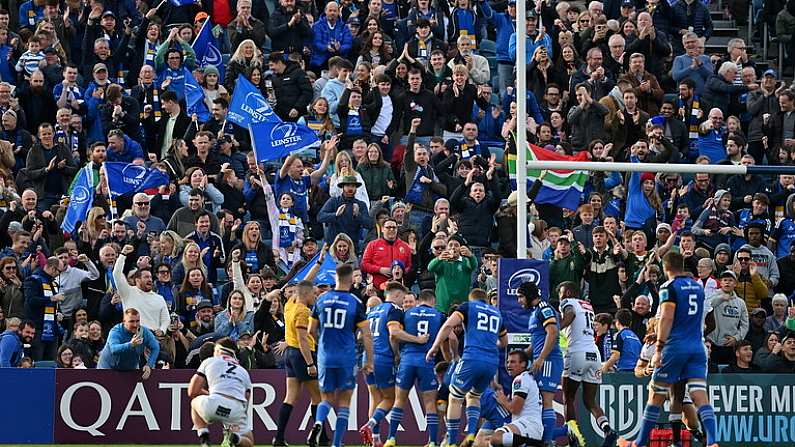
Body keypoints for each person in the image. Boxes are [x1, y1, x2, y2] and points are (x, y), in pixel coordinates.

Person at [617, 252, 718, 447]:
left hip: (675, 347)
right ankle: (712, 442)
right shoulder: (698, 287)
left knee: (655, 395)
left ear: (666, 268)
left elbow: (667, 317)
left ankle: (638, 443)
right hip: (697, 347)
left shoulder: (668, 287)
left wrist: (659, 348)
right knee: (699, 395)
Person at [426, 288, 507, 447]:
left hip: (472, 358)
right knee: (474, 397)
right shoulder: (497, 313)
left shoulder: (467, 307)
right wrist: (490, 345)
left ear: (471, 299)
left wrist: (435, 346)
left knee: (455, 398)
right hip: (491, 362)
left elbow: (448, 326)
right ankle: (471, 432)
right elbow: (504, 343)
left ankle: (452, 441)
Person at [307, 264, 374, 447]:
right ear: (351, 279)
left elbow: (310, 330)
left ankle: (319, 423)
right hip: (346, 356)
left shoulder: (321, 299)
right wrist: (369, 361)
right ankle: (337, 444)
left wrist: (323, 342)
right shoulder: (354, 301)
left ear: (334, 278)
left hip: (325, 356)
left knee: (326, 398)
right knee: (344, 402)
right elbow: (366, 334)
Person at [359, 282, 427, 446]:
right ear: (396, 295)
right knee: (390, 398)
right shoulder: (394, 309)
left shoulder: (373, 311)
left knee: (375, 397)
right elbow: (394, 333)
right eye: (403, 298)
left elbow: (361, 337)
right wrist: (416, 340)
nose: (403, 302)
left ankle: (375, 439)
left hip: (366, 357)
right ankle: (370, 425)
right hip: (383, 357)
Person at [384, 289, 445, 447]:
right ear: (433, 301)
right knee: (430, 402)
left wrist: (396, 354)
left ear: (418, 300)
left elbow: (393, 335)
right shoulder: (439, 315)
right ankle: (432, 442)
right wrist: (449, 356)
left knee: (399, 400)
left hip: (407, 360)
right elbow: (450, 337)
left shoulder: (406, 313)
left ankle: (391, 438)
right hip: (426, 361)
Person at [558, 281, 616, 446]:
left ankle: (573, 439)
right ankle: (607, 429)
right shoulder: (588, 305)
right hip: (594, 355)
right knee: (590, 401)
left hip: (576, 353)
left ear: (568, 292)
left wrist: (557, 328)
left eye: (561, 293)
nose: (560, 296)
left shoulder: (567, 302)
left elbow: (570, 315)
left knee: (568, 397)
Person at [518, 281, 575, 446]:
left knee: (546, 400)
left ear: (529, 295)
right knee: (539, 402)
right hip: (540, 360)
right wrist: (520, 355)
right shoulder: (536, 311)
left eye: (521, 297)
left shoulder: (545, 308)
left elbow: (553, 332)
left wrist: (541, 357)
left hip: (549, 360)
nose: (519, 301)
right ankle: (566, 431)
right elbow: (538, 339)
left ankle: (549, 441)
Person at [188, 337, 254, 447]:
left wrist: (213, 396)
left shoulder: (209, 361)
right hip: (236, 409)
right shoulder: (243, 371)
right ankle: (236, 439)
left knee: (194, 402)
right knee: (248, 441)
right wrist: (237, 420)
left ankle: (204, 437)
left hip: (213, 403)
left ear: (218, 351)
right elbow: (246, 399)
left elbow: (192, 391)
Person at [489, 350, 544, 447]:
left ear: (523, 364)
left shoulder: (520, 379)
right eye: (507, 362)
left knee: (496, 438)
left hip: (529, 424)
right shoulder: (527, 378)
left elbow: (515, 409)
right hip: (529, 426)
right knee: (485, 441)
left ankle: (538, 444)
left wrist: (503, 401)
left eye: (513, 362)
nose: (509, 365)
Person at [97, 308, 159, 379]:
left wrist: (149, 365)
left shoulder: (144, 332)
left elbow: (155, 347)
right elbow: (113, 349)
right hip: (107, 368)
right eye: (131, 321)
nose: (135, 325)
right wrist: (130, 344)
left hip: (130, 369)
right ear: (124, 322)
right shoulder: (116, 331)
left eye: (137, 321)